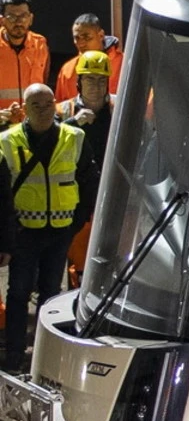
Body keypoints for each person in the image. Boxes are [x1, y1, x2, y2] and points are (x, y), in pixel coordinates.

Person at [0, 84, 84, 372]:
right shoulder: (8, 141)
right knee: (19, 292)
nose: (44, 110)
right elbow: (2, 194)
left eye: (49, 104)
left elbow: (89, 181)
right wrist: (7, 238)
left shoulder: (74, 137)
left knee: (52, 294)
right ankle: (14, 353)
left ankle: (49, 355)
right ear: (24, 108)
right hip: (25, 231)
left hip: (59, 230)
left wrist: (75, 221)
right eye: (36, 105)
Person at [57, 50, 114, 282]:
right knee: (77, 259)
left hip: (109, 191)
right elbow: (48, 144)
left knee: (109, 256)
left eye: (101, 80)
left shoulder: (119, 108)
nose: (96, 85)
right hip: (74, 194)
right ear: (79, 81)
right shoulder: (64, 111)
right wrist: (72, 124)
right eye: (89, 78)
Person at [0, 0, 48, 123]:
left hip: (32, 123)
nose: (18, 22)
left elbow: (44, 82)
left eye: (23, 16)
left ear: (31, 19)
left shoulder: (40, 44)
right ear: (2, 20)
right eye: (12, 17)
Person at [53, 16, 122, 99]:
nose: (81, 44)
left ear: (101, 35)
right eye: (77, 38)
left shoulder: (125, 64)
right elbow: (60, 107)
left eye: (87, 37)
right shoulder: (67, 70)